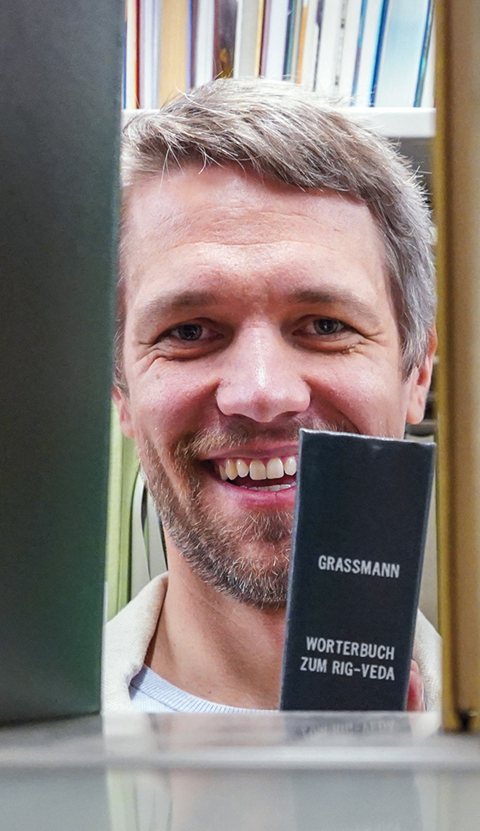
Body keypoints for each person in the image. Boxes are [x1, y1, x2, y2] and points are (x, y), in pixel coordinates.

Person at [103, 79, 441, 715]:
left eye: (326, 326)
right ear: (120, 390)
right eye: (189, 332)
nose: (263, 393)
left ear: (416, 372)